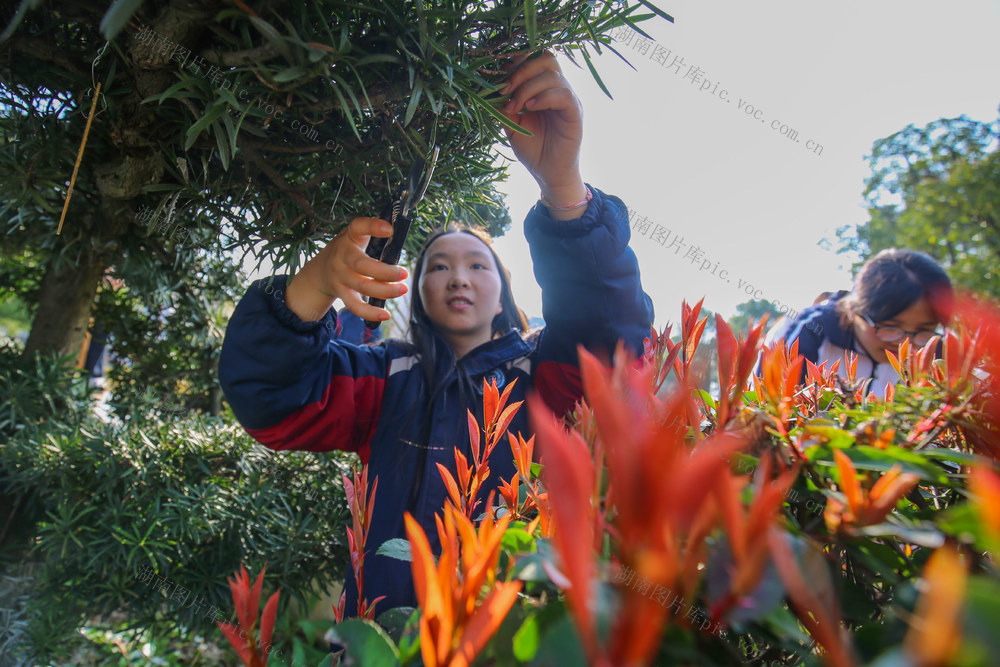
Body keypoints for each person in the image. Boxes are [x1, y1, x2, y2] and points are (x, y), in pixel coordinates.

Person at [218, 50, 655, 615]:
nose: (457, 277)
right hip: (382, 645)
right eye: (438, 266)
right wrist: (316, 283)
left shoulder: (543, 376)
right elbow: (271, 398)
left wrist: (561, 182)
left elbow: (611, 339)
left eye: (478, 265)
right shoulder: (384, 378)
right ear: (416, 292)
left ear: (503, 290)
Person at [759, 248, 953, 395]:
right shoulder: (808, 332)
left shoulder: (935, 354)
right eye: (890, 327)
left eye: (924, 330)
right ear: (853, 309)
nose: (904, 343)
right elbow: (768, 410)